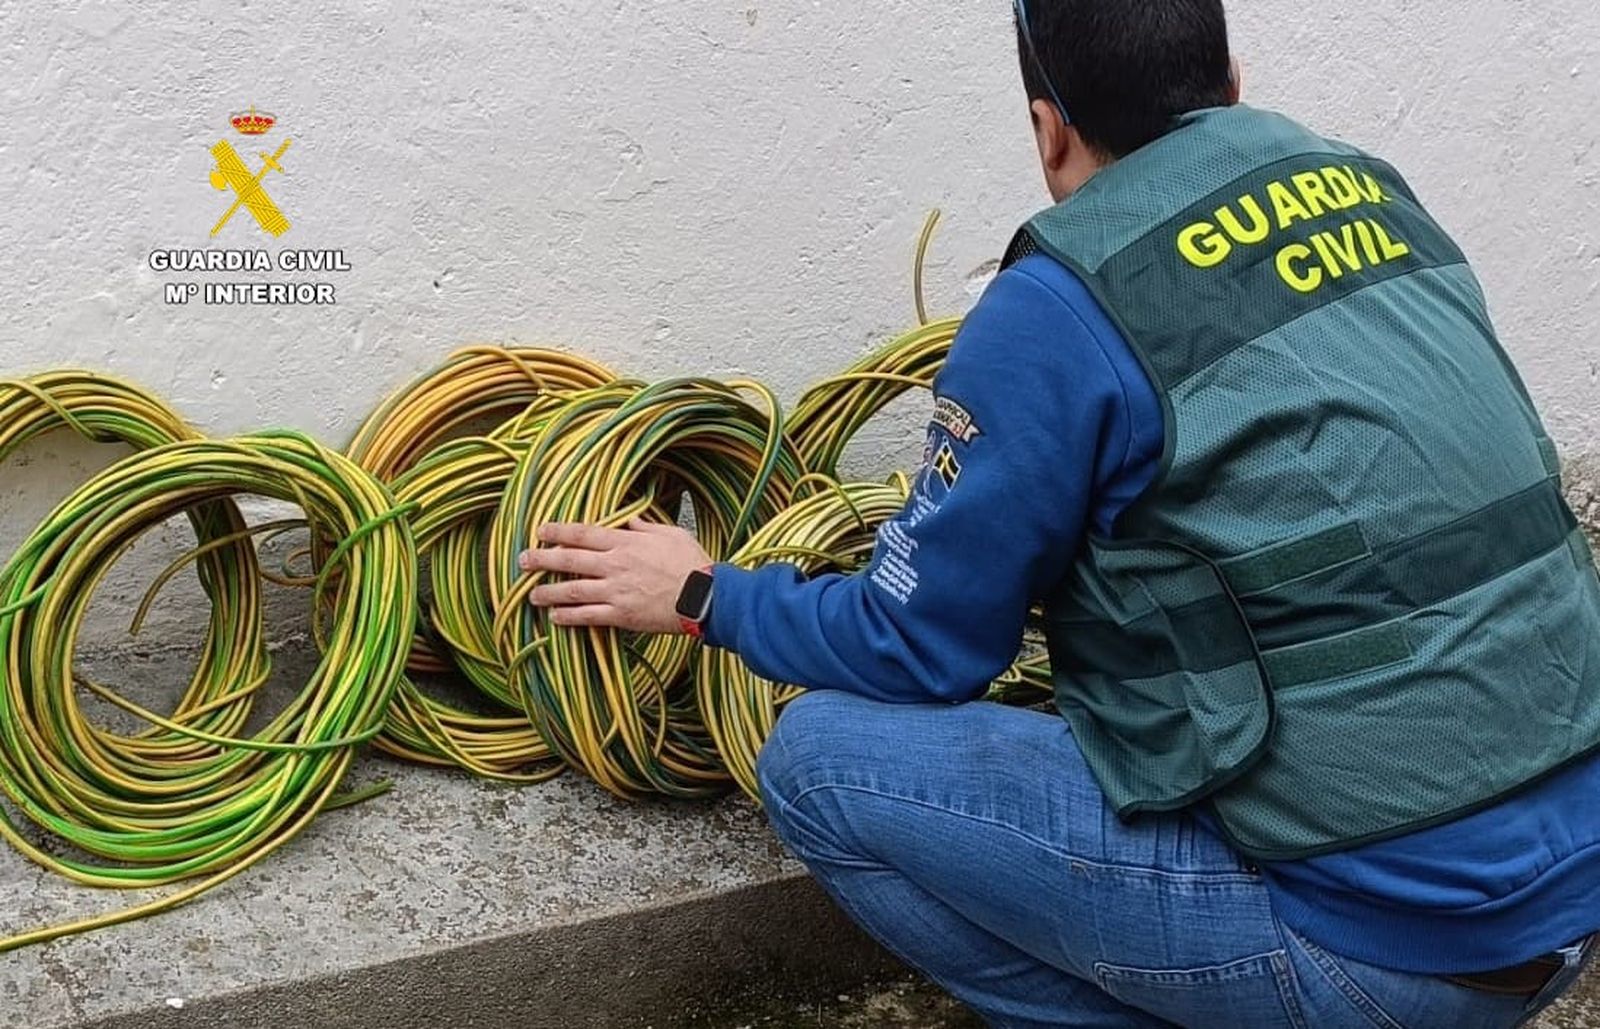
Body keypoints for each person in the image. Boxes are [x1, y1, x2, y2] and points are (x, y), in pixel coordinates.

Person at [519, 1, 1600, 1024]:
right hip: (1565, 916)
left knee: (816, 764)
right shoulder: (1371, 193)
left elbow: (917, 651)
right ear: (1230, 82)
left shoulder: (1058, 306)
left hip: (1371, 961)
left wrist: (704, 593)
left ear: (1048, 128)